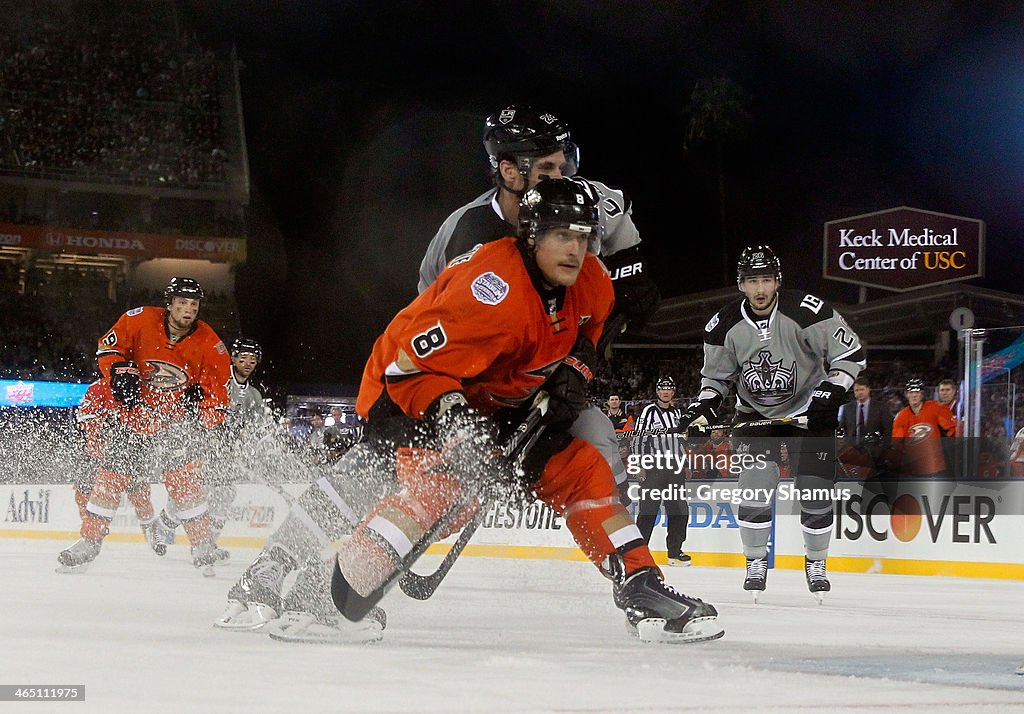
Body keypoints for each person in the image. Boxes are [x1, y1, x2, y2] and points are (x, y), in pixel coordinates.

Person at [217, 179, 722, 645]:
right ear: (530, 235)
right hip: (409, 388)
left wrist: (575, 371)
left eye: (584, 235)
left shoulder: (590, 278)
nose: (575, 248)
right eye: (561, 235)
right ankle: (323, 597)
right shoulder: (489, 290)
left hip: (502, 395)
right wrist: (461, 427)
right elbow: (410, 367)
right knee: (446, 493)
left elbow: (590, 330)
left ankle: (640, 585)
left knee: (583, 469)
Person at [417, 105, 659, 517]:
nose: (562, 178)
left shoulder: (594, 204)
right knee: (401, 464)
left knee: (598, 437)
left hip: (552, 374)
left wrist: (579, 363)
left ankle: (630, 569)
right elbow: (426, 324)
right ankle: (304, 549)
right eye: (548, 169)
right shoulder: (462, 232)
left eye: (565, 164)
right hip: (480, 387)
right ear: (510, 173)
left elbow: (635, 292)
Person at [680, 245, 865, 601]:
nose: (760, 288)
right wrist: (702, 410)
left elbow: (851, 355)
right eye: (752, 281)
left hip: (810, 414)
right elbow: (715, 381)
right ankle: (755, 561)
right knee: (753, 491)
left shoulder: (808, 311)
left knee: (815, 494)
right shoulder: (722, 326)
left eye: (766, 279)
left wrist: (831, 392)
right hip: (755, 419)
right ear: (741, 285)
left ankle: (815, 563)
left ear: (777, 281)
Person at [57, 277, 232, 572]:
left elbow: (219, 396)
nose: (188, 310)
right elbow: (107, 348)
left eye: (193, 305)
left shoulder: (211, 344)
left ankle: (203, 546)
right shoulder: (138, 320)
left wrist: (201, 410)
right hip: (135, 419)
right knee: (110, 478)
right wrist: (118, 370)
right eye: (182, 303)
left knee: (186, 484)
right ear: (169, 303)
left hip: (175, 426)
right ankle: (89, 541)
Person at [153, 337, 271, 560]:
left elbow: (258, 428)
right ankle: (162, 526)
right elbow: (191, 402)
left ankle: (207, 544)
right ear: (233, 358)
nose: (247, 363)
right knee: (190, 493)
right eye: (243, 358)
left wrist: (261, 448)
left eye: (252, 360)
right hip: (199, 446)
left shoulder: (253, 395)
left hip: (224, 453)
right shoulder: (216, 378)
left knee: (225, 494)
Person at [632, 376, 691, 566]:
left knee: (679, 511)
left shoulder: (677, 413)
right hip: (654, 468)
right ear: (657, 392)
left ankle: (674, 552)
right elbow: (638, 439)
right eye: (662, 388)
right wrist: (640, 464)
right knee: (648, 511)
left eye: (669, 388)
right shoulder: (649, 412)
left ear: (673, 392)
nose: (666, 391)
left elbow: (681, 440)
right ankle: (639, 555)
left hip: (674, 468)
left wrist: (685, 464)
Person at [890, 378, 957, 477]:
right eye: (911, 392)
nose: (914, 395)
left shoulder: (935, 408)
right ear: (906, 395)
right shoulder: (901, 416)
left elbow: (951, 429)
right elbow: (897, 443)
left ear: (922, 394)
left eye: (917, 392)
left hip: (936, 466)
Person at [837, 375, 893, 478]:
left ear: (868, 389)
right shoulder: (847, 408)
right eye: (856, 390)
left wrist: (883, 451)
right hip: (852, 452)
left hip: (874, 454)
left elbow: (888, 431)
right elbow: (842, 430)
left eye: (862, 389)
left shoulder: (880, 407)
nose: (859, 392)